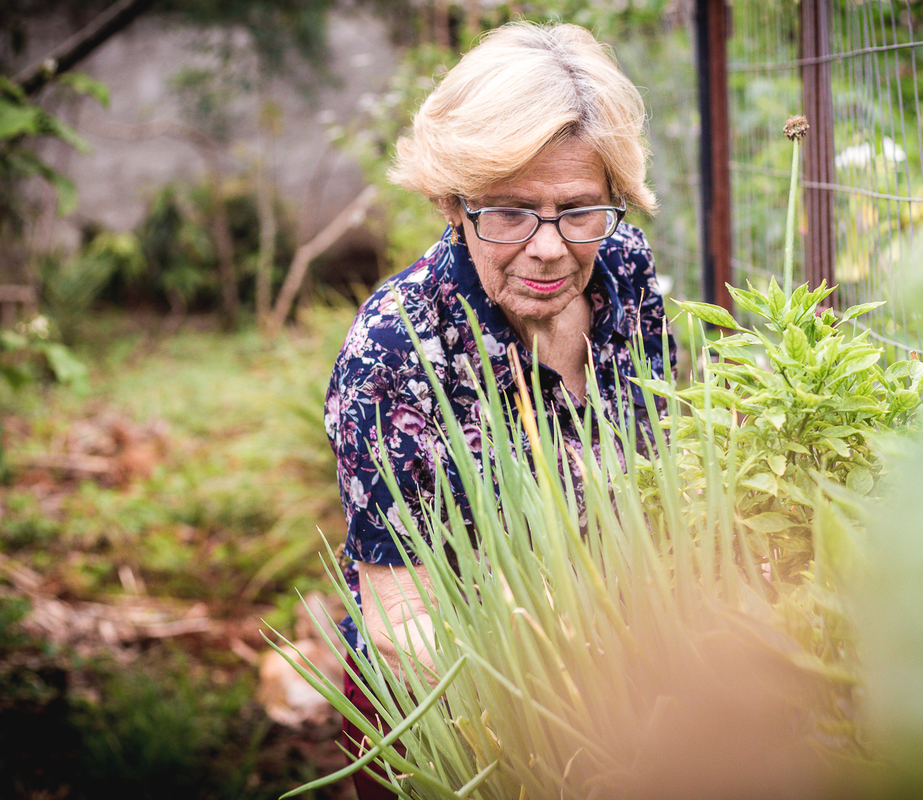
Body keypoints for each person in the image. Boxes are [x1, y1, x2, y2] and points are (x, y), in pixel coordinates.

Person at [323, 20, 673, 799]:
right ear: (455, 202)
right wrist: (556, 713)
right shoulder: (396, 352)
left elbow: (661, 474)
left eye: (578, 209)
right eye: (511, 212)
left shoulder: (623, 271)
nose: (549, 247)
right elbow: (399, 618)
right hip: (450, 717)